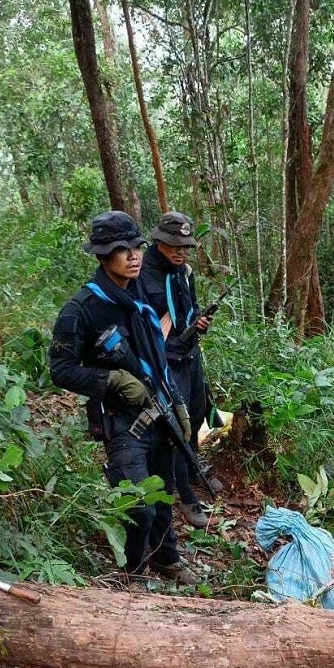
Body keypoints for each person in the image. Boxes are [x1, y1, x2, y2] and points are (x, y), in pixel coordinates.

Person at [49, 211, 199, 584]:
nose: (133, 256)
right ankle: (133, 573)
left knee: (163, 498)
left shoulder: (141, 297)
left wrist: (177, 402)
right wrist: (112, 379)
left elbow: (157, 359)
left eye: (136, 247)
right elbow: (61, 370)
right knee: (140, 505)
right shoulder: (82, 309)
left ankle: (168, 559)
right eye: (121, 249)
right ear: (102, 256)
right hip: (121, 422)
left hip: (159, 411)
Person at [138, 212, 223, 529]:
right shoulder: (141, 273)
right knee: (177, 425)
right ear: (158, 241)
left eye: (185, 246)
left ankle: (191, 469)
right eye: (174, 245)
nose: (180, 251)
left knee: (198, 413)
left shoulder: (184, 273)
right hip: (163, 360)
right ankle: (185, 495)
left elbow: (192, 307)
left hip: (189, 355)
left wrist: (200, 322)